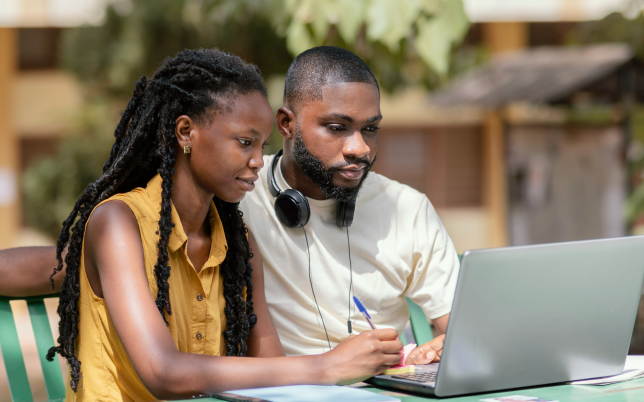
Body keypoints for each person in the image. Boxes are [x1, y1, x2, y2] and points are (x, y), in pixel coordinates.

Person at [0, 46, 456, 367]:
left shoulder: (405, 208)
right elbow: (80, 260)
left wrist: (437, 348)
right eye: (338, 127)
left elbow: (463, 328)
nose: (358, 147)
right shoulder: (233, 192)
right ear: (288, 126)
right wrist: (326, 367)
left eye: (370, 129)